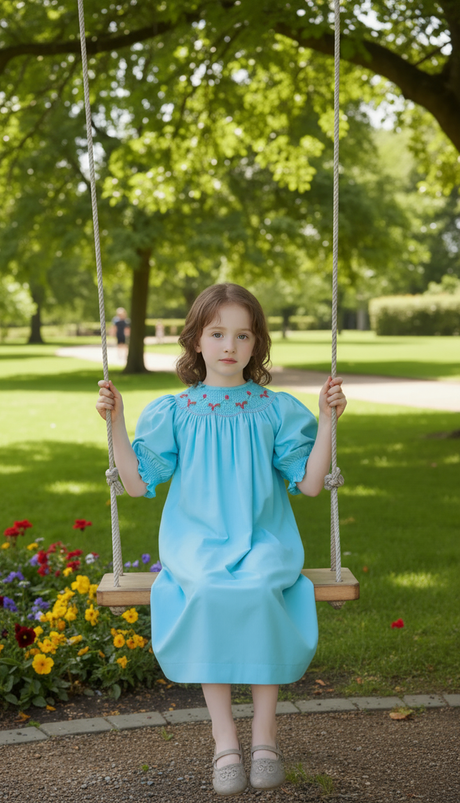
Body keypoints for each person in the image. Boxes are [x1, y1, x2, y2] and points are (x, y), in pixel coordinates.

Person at [96, 284, 347, 796]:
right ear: (196, 340)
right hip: (197, 542)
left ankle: (265, 736)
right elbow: (139, 484)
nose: (229, 345)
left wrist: (326, 422)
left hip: (264, 538)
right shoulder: (176, 411)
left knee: (260, 588)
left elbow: (309, 484)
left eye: (242, 335)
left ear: (256, 345)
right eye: (217, 334)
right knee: (209, 589)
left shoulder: (275, 409)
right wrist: (116, 423)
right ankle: (224, 738)